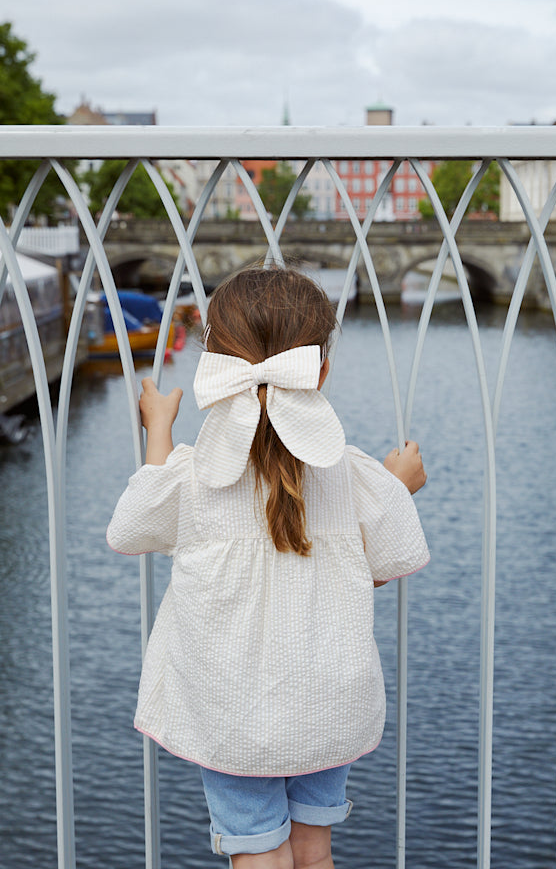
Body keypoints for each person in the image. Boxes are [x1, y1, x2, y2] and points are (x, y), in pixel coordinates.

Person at [107, 265, 429, 869]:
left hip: (235, 712)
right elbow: (376, 568)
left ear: (218, 369)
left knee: (258, 850)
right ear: (321, 370)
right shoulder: (353, 474)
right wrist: (397, 487)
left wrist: (157, 429)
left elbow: (133, 525)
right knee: (313, 850)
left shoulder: (196, 475)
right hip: (327, 705)